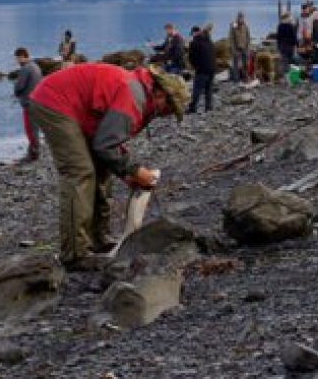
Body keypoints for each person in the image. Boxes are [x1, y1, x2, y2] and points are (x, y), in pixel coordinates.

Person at [28, 63, 187, 270]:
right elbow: (106, 145)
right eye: (170, 107)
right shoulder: (133, 98)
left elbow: (108, 140)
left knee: (101, 170)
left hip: (78, 111)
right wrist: (134, 171)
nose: (167, 114)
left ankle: (98, 239)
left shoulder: (140, 95)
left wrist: (126, 173)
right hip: (54, 102)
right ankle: (74, 254)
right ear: (160, 92)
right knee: (80, 172)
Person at [13, 47, 43, 162]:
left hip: (29, 103)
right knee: (34, 128)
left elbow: (19, 86)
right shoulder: (35, 66)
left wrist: (16, 91)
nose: (17, 61)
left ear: (22, 56)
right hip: (37, 101)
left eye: (17, 58)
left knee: (30, 128)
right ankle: (33, 150)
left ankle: (34, 153)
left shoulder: (26, 68)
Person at [187, 25, 217, 113]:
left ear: (194, 33)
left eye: (192, 34)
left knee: (197, 89)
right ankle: (209, 107)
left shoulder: (194, 43)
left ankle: (192, 108)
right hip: (212, 68)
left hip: (202, 70)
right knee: (209, 89)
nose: (192, 36)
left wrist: (196, 67)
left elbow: (191, 58)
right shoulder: (209, 40)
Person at [229, 12, 251, 83]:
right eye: (240, 17)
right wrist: (233, 49)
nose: (241, 19)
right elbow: (231, 38)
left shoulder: (246, 26)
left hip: (244, 48)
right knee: (235, 64)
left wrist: (248, 48)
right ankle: (236, 79)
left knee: (245, 64)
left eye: (242, 18)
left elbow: (248, 37)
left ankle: (245, 77)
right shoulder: (234, 26)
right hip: (236, 48)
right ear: (237, 18)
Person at [275, 12, 298, 80]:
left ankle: (285, 77)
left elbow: (278, 37)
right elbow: (294, 37)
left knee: (284, 61)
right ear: (287, 18)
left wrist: (278, 46)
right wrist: (296, 45)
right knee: (291, 61)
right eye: (290, 17)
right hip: (290, 46)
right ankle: (291, 77)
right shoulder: (290, 26)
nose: (291, 18)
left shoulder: (279, 26)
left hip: (282, 46)